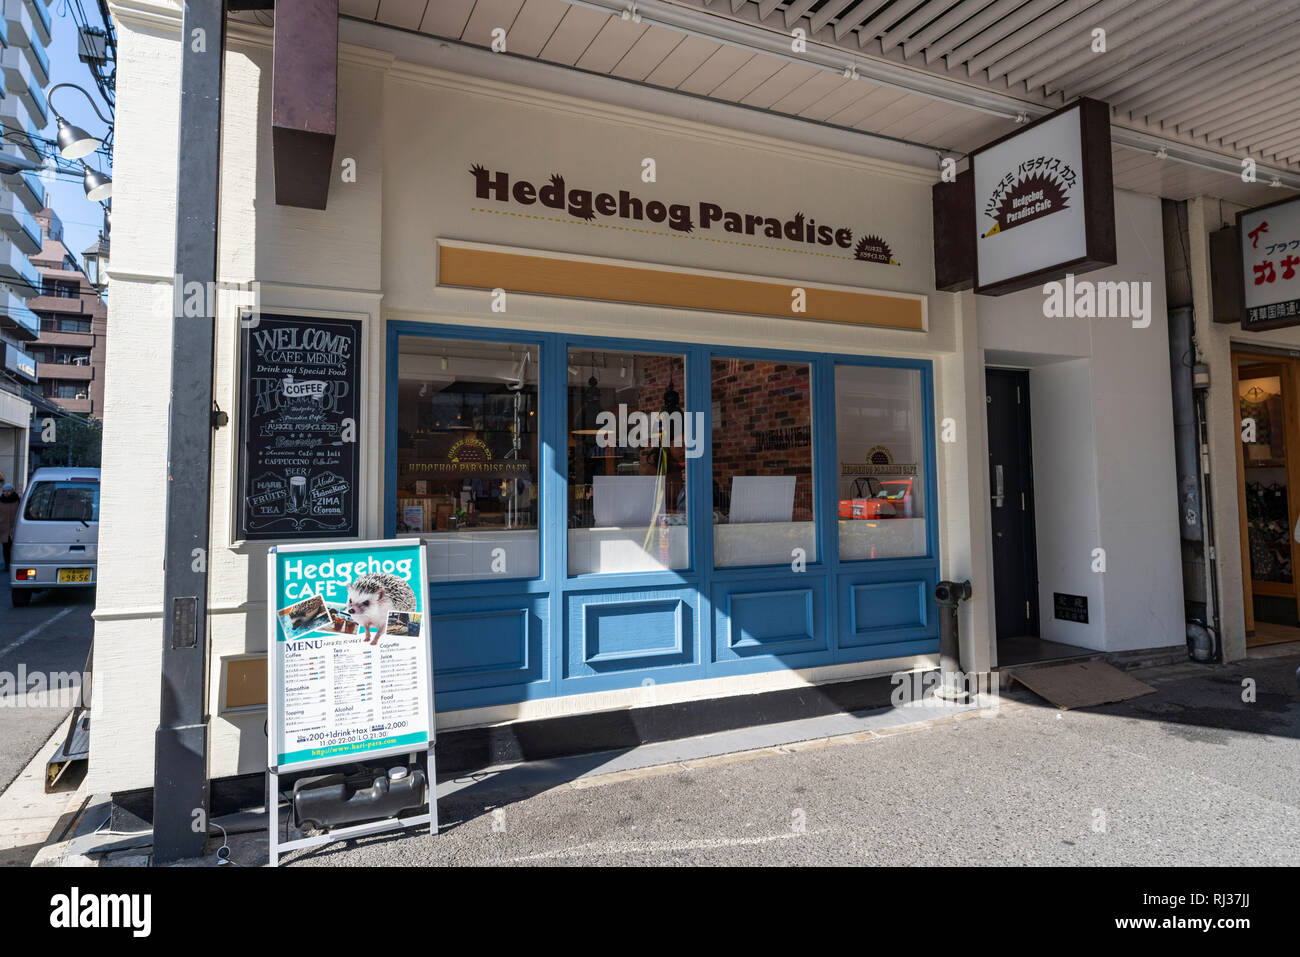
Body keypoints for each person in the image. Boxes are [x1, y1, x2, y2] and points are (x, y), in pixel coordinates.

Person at [0, 484, 20, 572]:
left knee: (14, 547)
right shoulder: (0, 501)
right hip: (3, 528)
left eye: (8, 491)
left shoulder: (17, 500)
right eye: (4, 491)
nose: (6, 493)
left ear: (12, 491)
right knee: (5, 548)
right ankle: (7, 565)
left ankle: (14, 564)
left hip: (15, 528)